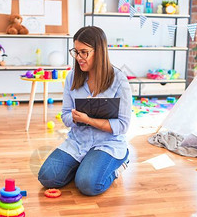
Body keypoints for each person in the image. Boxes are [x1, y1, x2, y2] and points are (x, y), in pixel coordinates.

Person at [38, 26, 132, 196]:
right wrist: (74, 118)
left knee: (88, 185)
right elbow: (65, 115)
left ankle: (119, 164)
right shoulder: (72, 77)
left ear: (99, 52)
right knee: (47, 177)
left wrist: (89, 120)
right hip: (78, 142)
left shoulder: (119, 80)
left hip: (107, 144)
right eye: (76, 51)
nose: (79, 58)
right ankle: (86, 167)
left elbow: (123, 125)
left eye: (84, 52)